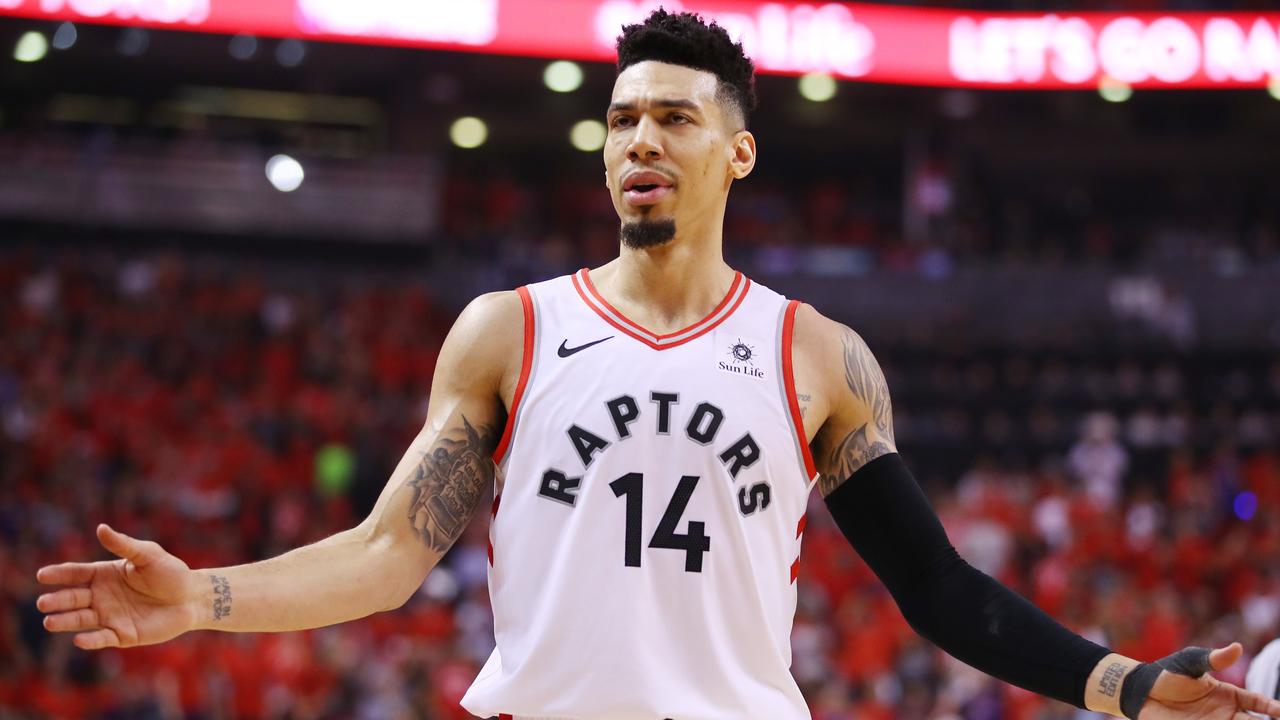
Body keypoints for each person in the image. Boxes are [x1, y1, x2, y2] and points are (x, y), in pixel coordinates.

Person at [34, 10, 1280, 720]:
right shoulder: (507, 330)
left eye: (673, 117)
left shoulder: (818, 359)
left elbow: (941, 591)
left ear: (735, 154)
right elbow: (385, 553)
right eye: (620, 117)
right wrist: (200, 599)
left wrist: (1116, 687)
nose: (638, 138)